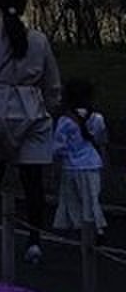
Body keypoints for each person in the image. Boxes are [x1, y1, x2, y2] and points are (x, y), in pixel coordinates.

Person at [0, 0, 63, 264]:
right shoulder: (39, 40)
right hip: (32, 111)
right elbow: (52, 83)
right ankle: (34, 241)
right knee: (33, 183)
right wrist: (50, 108)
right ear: (24, 6)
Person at [53, 77, 108, 240]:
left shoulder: (65, 120)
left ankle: (79, 228)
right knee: (91, 199)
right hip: (91, 164)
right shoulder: (97, 118)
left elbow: (58, 147)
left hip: (71, 166)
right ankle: (96, 228)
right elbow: (100, 139)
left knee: (72, 199)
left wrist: (55, 163)